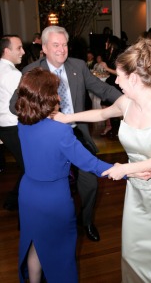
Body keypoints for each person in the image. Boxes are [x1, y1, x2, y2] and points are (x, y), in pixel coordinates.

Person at [53, 38, 151, 282]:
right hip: (137, 197)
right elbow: (100, 112)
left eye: (120, 76)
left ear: (134, 78)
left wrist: (125, 168)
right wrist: (66, 118)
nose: (116, 81)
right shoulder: (126, 103)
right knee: (135, 255)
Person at [10, 25, 122, 242]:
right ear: (44, 48)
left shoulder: (78, 66)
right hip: (48, 138)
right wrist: (42, 116)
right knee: (52, 187)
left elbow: (103, 89)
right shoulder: (32, 71)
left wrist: (129, 101)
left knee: (90, 183)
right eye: (55, 45)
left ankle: (86, 221)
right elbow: (15, 104)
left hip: (75, 133)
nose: (62, 49)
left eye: (64, 44)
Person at [15, 67, 113, 283]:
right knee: (62, 254)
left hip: (28, 194)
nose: (59, 96)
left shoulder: (23, 123)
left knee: (34, 244)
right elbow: (90, 163)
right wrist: (124, 171)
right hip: (54, 199)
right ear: (45, 96)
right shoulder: (60, 131)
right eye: (55, 92)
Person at [0, 35, 25, 210]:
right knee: (29, 167)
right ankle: (14, 201)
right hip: (14, 126)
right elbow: (22, 104)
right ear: (7, 51)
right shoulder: (13, 73)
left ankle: (14, 200)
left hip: (5, 127)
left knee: (26, 166)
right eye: (19, 48)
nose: (23, 52)